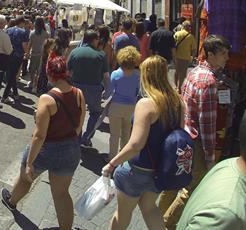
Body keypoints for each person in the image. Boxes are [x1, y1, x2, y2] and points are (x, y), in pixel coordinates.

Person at [1, 57, 86, 230]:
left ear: (49, 73)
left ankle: (12, 201)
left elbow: (39, 136)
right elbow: (78, 127)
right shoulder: (78, 94)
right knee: (62, 194)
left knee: (26, 178)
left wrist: (30, 162)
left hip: (46, 149)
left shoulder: (47, 99)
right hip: (70, 149)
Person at [101, 55, 185, 230]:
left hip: (137, 169)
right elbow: (179, 134)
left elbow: (136, 144)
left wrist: (111, 163)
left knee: (122, 214)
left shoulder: (146, 104)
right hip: (159, 170)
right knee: (149, 208)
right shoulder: (178, 102)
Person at [158, 35, 231, 228]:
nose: (227, 58)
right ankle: (166, 223)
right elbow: (207, 127)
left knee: (175, 182)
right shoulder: (208, 82)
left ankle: (155, 217)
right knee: (192, 187)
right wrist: (210, 158)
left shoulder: (195, 71)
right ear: (210, 55)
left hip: (184, 135)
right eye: (223, 54)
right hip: (196, 141)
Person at [176, 112, 246, 229]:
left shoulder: (230, 163)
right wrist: (209, 158)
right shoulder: (225, 215)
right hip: (199, 145)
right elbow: (206, 126)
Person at [67, 29, 109, 147]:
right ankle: (87, 137)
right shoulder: (101, 55)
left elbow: (68, 72)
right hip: (94, 89)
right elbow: (106, 76)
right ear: (94, 40)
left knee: (76, 113)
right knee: (95, 113)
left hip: (76, 87)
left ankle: (77, 136)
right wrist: (107, 90)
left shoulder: (75, 52)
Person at [107, 46, 140, 159]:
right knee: (126, 134)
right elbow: (137, 92)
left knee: (114, 135)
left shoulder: (115, 74)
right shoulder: (137, 75)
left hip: (116, 106)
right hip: (131, 107)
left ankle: (112, 157)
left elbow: (109, 91)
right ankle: (124, 157)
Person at [3, 16, 29, 104]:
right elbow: (24, 45)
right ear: (21, 22)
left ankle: (15, 93)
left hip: (8, 53)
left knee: (11, 73)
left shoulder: (8, 30)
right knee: (12, 74)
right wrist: (27, 53)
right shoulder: (23, 32)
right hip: (18, 55)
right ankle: (5, 95)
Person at [172, 20, 196, 93]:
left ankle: (175, 85)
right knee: (183, 73)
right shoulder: (191, 36)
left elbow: (172, 45)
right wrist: (193, 57)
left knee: (176, 71)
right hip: (185, 57)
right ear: (188, 27)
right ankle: (179, 87)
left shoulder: (177, 34)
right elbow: (194, 49)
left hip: (176, 56)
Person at [27, 16, 50, 93]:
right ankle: (35, 85)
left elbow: (29, 44)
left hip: (34, 53)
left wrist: (27, 53)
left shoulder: (32, 33)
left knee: (32, 70)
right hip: (43, 54)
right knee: (39, 71)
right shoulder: (46, 34)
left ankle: (32, 82)